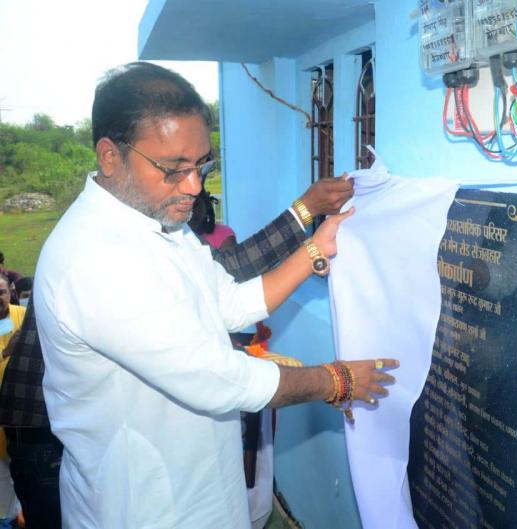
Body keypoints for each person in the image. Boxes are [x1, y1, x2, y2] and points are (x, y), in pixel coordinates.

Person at [33, 62, 394, 529]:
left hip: (203, 491)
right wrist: (336, 380)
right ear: (110, 156)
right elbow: (219, 379)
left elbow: (228, 304)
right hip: (144, 506)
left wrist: (315, 249)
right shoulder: (94, 259)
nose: (195, 186)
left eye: (203, 163)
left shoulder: (161, 225)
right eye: (174, 169)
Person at [0, 273, 24, 525]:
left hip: (22, 419)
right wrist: (6, 351)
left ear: (10, 291)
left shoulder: (23, 316)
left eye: (1, 291)